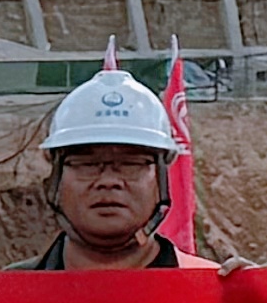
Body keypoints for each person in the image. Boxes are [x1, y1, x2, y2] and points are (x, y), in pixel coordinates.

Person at [28, 66, 186, 270]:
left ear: (161, 178)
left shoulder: (211, 292)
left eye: (131, 164)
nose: (108, 181)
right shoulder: (8, 295)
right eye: (87, 164)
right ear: (55, 178)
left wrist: (238, 292)